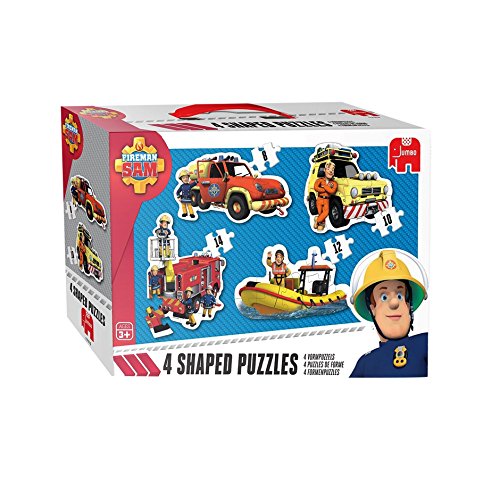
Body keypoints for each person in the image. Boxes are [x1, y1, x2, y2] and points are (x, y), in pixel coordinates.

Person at [350, 249, 428, 378]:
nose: (394, 303)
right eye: (384, 297)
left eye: (400, 295)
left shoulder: (426, 343)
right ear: (372, 309)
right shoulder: (365, 363)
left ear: (408, 305)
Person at [313, 161, 338, 231]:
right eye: (328, 169)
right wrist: (326, 189)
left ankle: (317, 221)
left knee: (326, 213)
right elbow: (316, 188)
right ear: (324, 170)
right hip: (319, 199)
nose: (331, 171)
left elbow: (332, 191)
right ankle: (321, 224)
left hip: (327, 200)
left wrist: (324, 186)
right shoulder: (319, 180)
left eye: (332, 170)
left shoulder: (334, 183)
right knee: (320, 212)